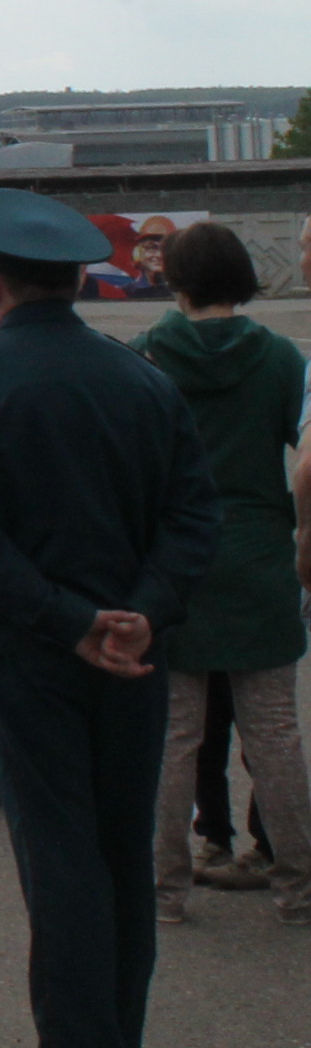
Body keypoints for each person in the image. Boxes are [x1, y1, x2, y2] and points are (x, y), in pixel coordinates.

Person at [0, 187, 221, 1048]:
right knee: (123, 858)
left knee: (59, 864)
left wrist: (67, 622)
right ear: (75, 280)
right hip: (137, 652)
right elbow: (195, 515)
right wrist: (144, 614)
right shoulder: (143, 380)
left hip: (32, 653)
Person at [139, 222, 311, 924]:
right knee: (275, 734)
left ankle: (165, 891)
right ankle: (298, 885)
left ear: (177, 279)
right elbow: (303, 461)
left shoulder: (147, 355)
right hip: (262, 554)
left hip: (178, 562)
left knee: (176, 737)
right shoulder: (280, 359)